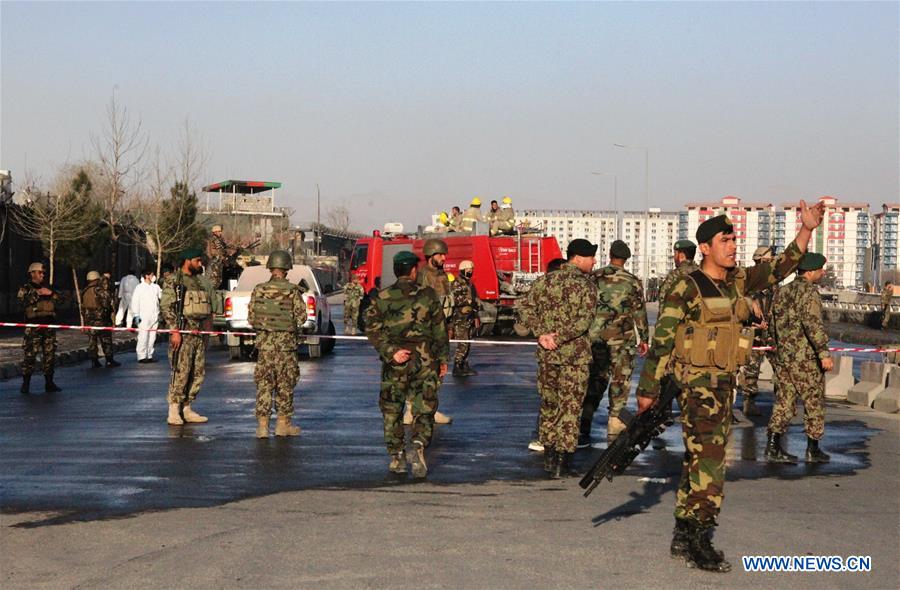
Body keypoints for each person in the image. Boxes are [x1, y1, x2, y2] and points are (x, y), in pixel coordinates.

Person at [634, 201, 824, 573]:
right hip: (697, 389)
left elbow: (781, 267)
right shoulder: (686, 288)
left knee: (697, 460)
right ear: (705, 247)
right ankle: (702, 539)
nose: (733, 246)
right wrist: (648, 389)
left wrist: (806, 229)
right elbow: (662, 341)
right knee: (710, 462)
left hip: (724, 385)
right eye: (725, 240)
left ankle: (685, 532)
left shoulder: (739, 281)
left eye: (734, 239)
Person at [517, 239, 598, 478]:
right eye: (591, 257)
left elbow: (524, 309)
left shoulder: (544, 281)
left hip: (548, 356)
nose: (594, 262)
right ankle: (563, 460)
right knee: (570, 408)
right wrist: (560, 337)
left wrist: (542, 335)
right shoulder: (587, 286)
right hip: (575, 358)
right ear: (578, 258)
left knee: (549, 405)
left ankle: (550, 455)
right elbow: (585, 321)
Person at [366, 251, 449, 478]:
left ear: (396, 271)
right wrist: (443, 360)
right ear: (414, 271)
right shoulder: (428, 295)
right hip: (425, 360)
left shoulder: (381, 297)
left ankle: (396, 457)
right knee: (424, 408)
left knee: (392, 409)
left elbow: (372, 329)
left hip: (396, 363)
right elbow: (440, 331)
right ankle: (419, 444)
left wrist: (391, 352)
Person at [580, 240, 649, 447]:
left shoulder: (593, 277)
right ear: (626, 259)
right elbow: (639, 312)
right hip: (622, 339)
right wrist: (644, 338)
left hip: (596, 339)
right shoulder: (633, 281)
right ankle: (615, 420)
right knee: (621, 380)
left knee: (595, 380)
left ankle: (585, 423)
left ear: (609, 254)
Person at [766, 252, 834, 463]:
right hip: (806, 360)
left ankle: (773, 447)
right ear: (811, 271)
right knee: (813, 402)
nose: (822, 273)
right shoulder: (809, 292)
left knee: (784, 401)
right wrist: (823, 353)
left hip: (784, 358)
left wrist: (775, 351)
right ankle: (813, 449)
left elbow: (772, 324)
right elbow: (812, 323)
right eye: (821, 270)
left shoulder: (782, 292)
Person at [248, 250, 305, 438]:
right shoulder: (293, 291)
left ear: (270, 268)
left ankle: (262, 427)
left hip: (265, 347)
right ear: (287, 269)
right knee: (285, 384)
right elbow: (302, 317)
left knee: (264, 385)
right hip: (286, 347)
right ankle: (283, 425)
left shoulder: (259, 289)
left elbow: (251, 318)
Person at [161, 248, 216, 425]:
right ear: (187, 261)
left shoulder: (200, 282)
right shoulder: (174, 281)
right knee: (181, 371)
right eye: (197, 260)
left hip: (198, 333)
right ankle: (174, 409)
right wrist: (174, 331)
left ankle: (187, 407)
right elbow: (167, 307)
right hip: (183, 331)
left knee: (197, 372)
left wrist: (207, 330)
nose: (200, 264)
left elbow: (208, 307)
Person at [414, 238, 454, 424]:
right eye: (441, 255)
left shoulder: (443, 276)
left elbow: (447, 301)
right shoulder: (422, 276)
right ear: (431, 255)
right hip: (426, 330)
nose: (444, 258)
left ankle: (431, 408)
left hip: (441, 328)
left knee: (438, 370)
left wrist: (449, 327)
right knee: (420, 370)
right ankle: (412, 408)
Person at [737, 246, 778, 417]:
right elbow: (738, 305)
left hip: (771, 334)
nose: (771, 263)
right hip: (753, 332)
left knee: (781, 368)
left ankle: (781, 403)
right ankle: (749, 402)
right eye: (768, 261)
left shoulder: (773, 284)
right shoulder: (749, 281)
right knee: (751, 370)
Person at [17, 262, 64, 394]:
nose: (42, 274)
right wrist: (37, 293)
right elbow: (20, 303)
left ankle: (49, 383)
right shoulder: (25, 288)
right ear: (32, 274)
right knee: (30, 356)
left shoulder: (49, 287)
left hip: (48, 327)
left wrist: (51, 294)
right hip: (33, 328)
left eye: (43, 272)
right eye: (39, 272)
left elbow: (61, 300)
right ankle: (26, 384)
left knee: (49, 356)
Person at [82, 270, 120, 368]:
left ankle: (94, 361)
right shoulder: (99, 290)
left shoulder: (85, 290)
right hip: (101, 320)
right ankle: (109, 360)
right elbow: (108, 303)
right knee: (106, 340)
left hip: (89, 320)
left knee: (92, 341)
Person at [450, 259, 481, 376]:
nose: (470, 271)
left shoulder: (470, 284)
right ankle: (457, 366)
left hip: (470, 317)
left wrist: (477, 315)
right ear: (463, 270)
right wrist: (467, 300)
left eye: (471, 270)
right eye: (468, 270)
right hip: (460, 318)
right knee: (462, 342)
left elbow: (475, 300)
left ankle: (464, 364)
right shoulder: (457, 283)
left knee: (467, 342)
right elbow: (454, 299)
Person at [131, 269, 162, 363]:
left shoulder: (156, 287)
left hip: (154, 315)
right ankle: (141, 356)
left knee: (152, 337)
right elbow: (135, 301)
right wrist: (136, 314)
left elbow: (161, 297)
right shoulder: (139, 287)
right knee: (143, 336)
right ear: (146, 276)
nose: (153, 276)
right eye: (152, 274)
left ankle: (149, 355)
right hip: (143, 316)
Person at [658, 240, 699, 305]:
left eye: (675, 254)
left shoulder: (674, 275)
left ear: (681, 256)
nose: (674, 257)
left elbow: (663, 299)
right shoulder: (702, 273)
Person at [205, 224, 235, 290]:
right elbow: (214, 251)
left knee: (218, 279)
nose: (220, 233)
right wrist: (224, 256)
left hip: (218, 262)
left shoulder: (219, 240)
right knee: (215, 280)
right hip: (215, 262)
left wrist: (234, 247)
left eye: (220, 231)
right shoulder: (214, 240)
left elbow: (225, 247)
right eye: (219, 231)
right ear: (215, 232)